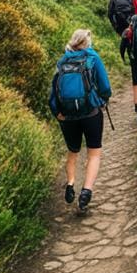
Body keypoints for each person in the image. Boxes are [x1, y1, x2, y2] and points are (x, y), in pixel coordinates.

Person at [49, 28, 112, 213]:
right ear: (87, 43)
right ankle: (86, 192)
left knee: (73, 151)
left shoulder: (62, 62)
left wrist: (57, 113)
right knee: (94, 153)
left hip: (67, 117)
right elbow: (105, 87)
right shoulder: (92, 58)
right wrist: (103, 100)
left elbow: (53, 93)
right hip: (91, 113)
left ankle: (70, 184)